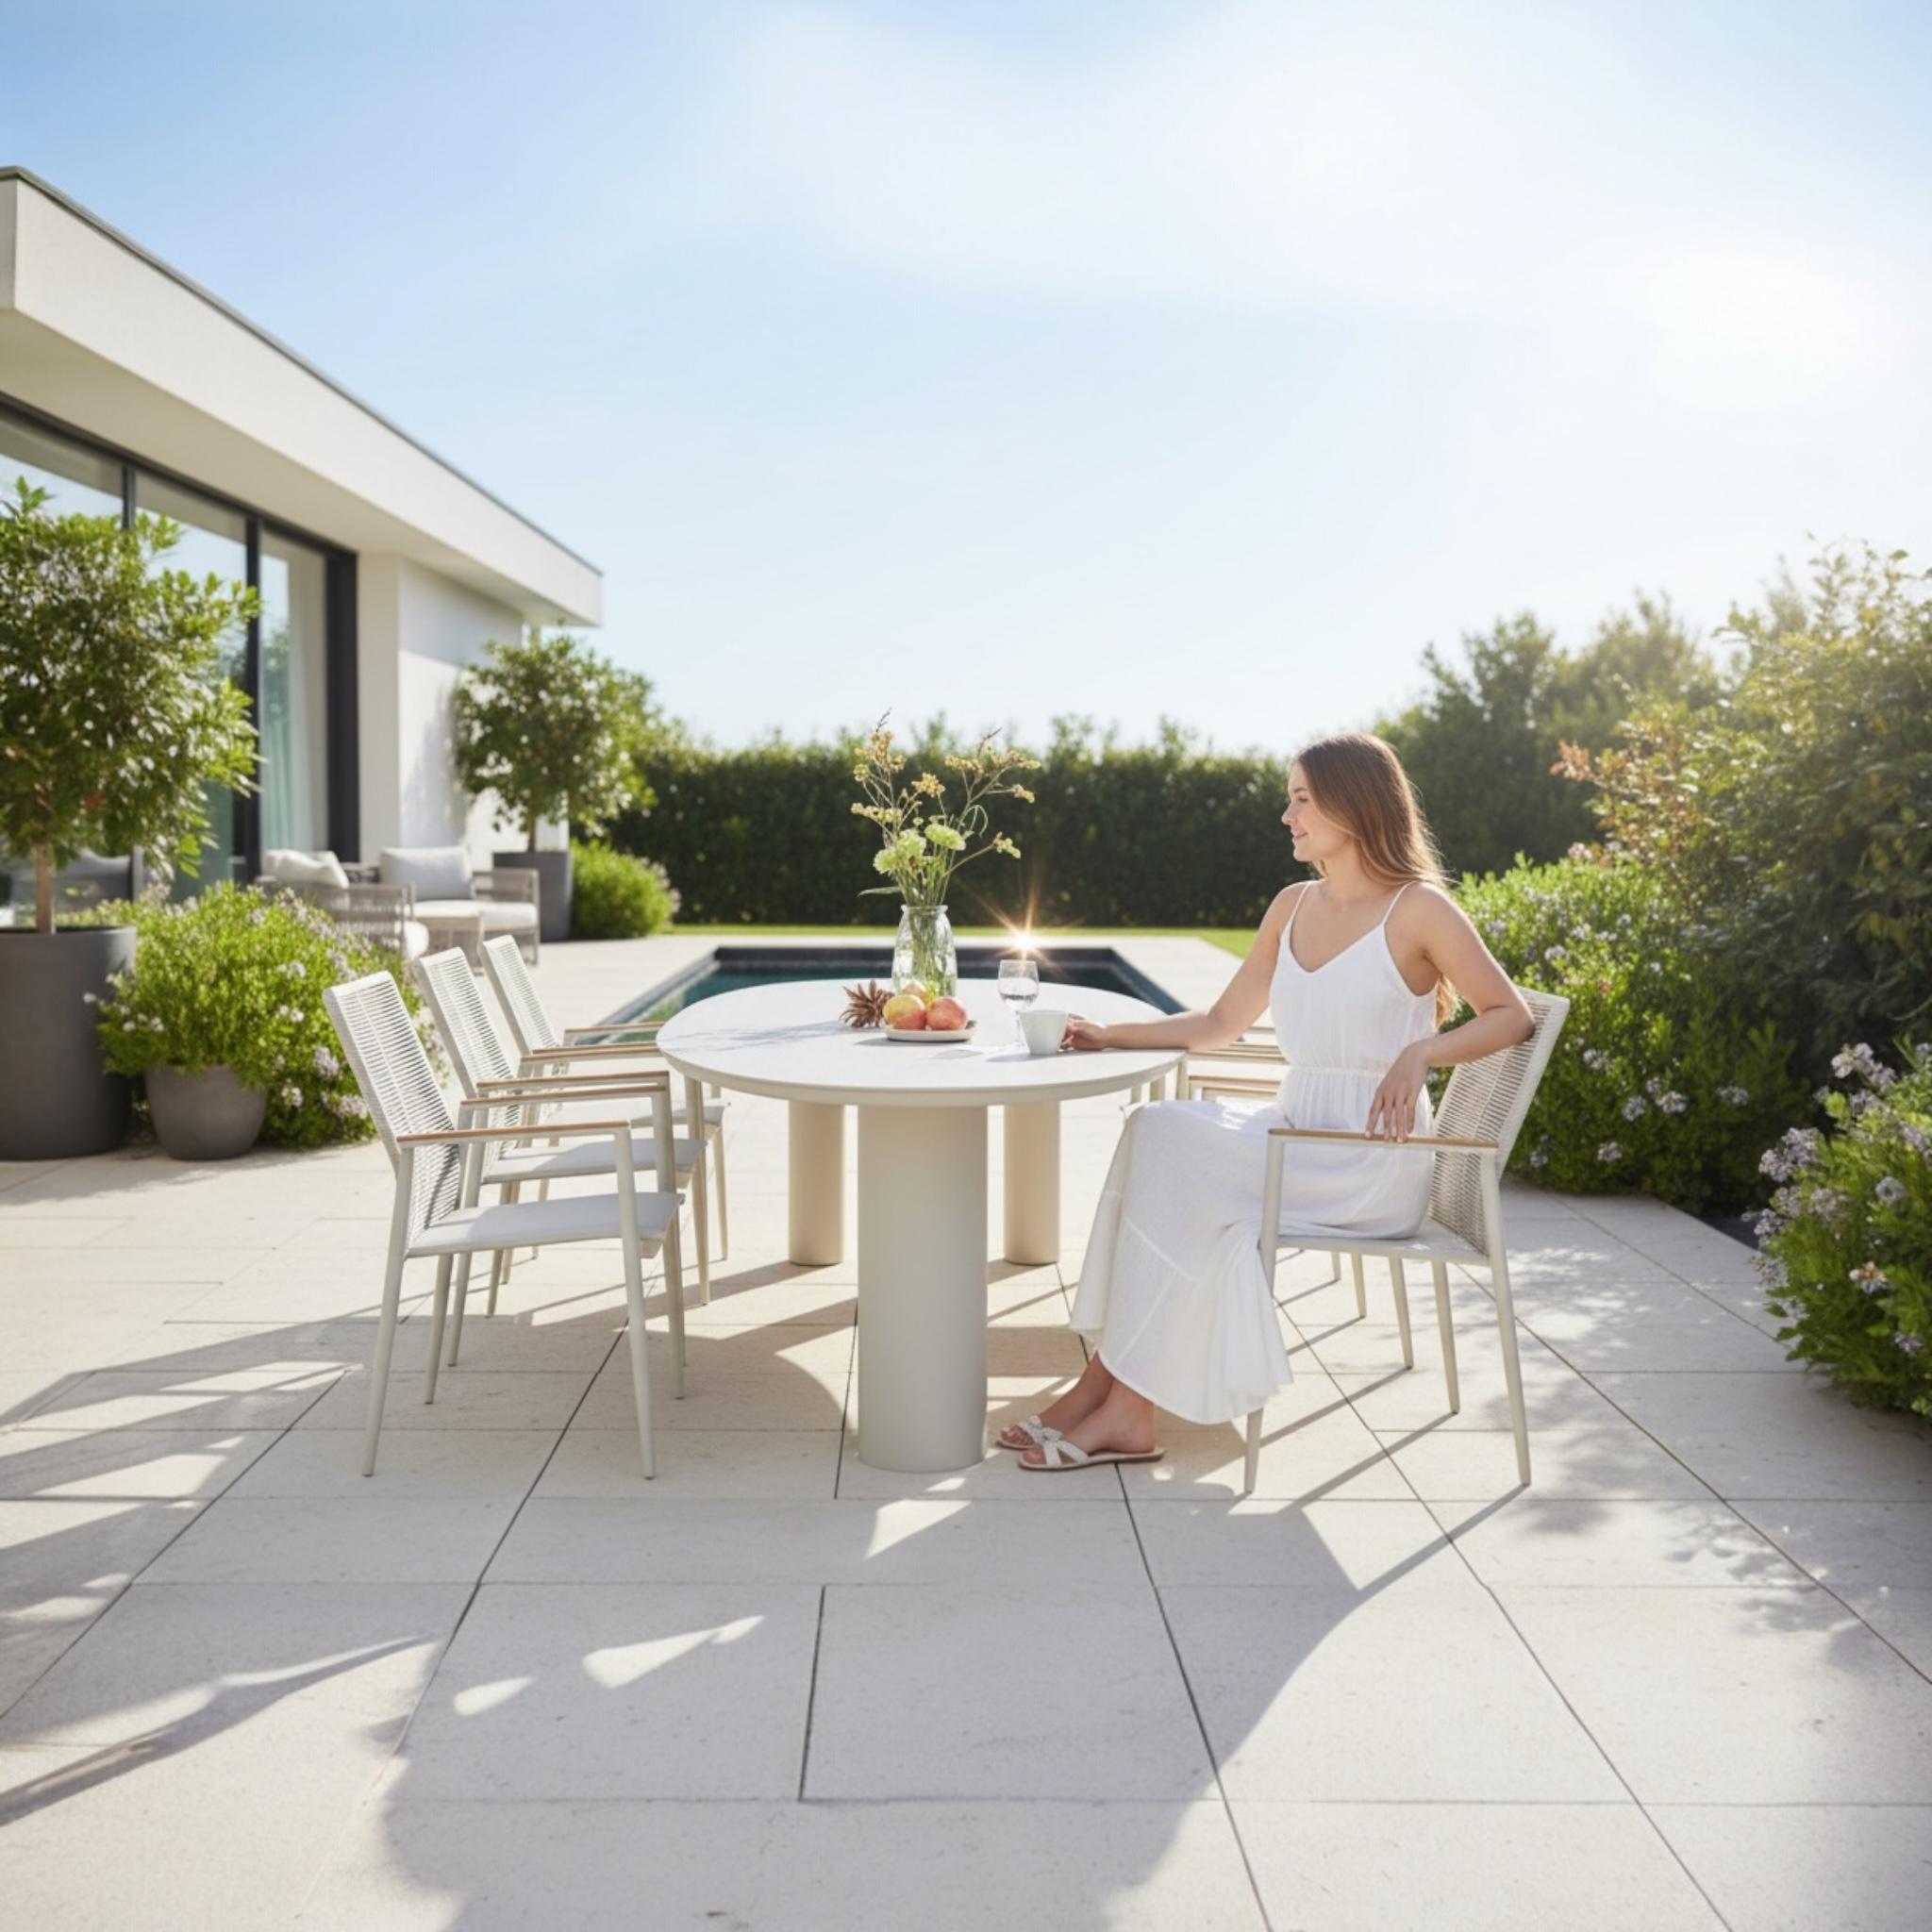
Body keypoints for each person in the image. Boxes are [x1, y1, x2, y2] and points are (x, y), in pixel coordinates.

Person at [1004, 731, 1534, 1472]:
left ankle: (1121, 1403)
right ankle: (1109, 1388)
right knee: (1155, 1130)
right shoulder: (1292, 905)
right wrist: (1112, 1034)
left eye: (1302, 800)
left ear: (1353, 807)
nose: (1288, 817)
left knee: (1175, 1155)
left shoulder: (1420, 911)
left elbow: (1511, 1016)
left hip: (1368, 1159)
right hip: (1293, 1133)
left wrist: (1421, 1053)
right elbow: (1222, 1024)